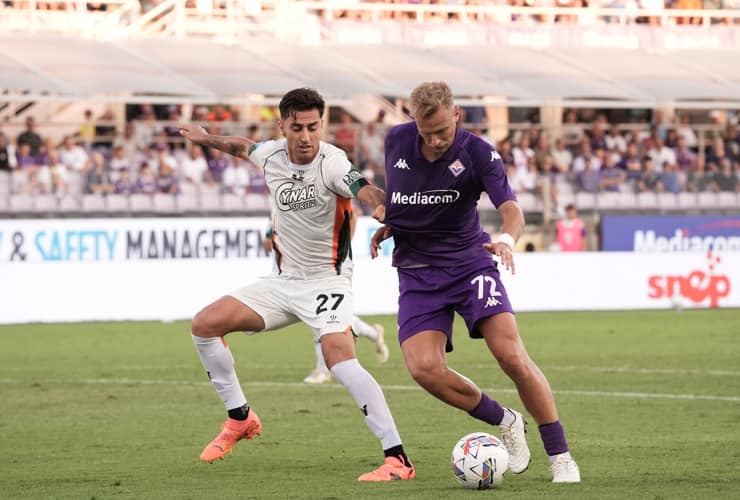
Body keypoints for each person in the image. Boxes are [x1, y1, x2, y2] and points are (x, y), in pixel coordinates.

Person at [178, 87, 414, 482]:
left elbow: (364, 188)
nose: (306, 136)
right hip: (283, 282)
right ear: (282, 126)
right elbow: (244, 147)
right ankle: (240, 418)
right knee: (204, 325)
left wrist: (379, 204)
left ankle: (398, 460)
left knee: (339, 358)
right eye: (297, 127)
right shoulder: (270, 154)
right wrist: (208, 139)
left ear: (322, 125)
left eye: (314, 126)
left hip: (328, 281)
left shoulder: (333, 163)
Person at [370, 81, 580, 483]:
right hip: (416, 271)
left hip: (471, 265)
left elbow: (511, 209)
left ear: (457, 116)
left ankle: (560, 455)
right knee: (424, 369)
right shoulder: (396, 140)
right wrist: (391, 224)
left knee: (511, 356)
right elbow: (408, 196)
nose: (433, 141)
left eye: (442, 132)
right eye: (425, 132)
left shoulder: (479, 152)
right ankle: (505, 419)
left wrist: (504, 239)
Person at [263, 213, 390, 385]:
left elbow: (352, 214)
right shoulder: (283, 205)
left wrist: (342, 247)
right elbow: (268, 242)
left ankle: (323, 371)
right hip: (303, 270)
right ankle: (373, 334)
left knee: (324, 317)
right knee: (334, 316)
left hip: (329, 269)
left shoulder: (322, 196)